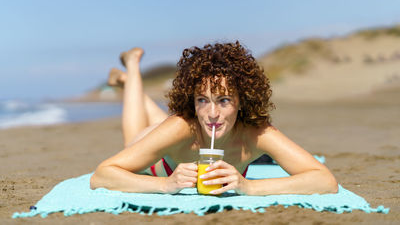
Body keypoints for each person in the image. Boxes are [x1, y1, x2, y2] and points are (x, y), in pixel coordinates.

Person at [90, 42, 338, 195]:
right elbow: (102, 175)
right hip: (164, 151)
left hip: (173, 135)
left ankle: (125, 80)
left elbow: (325, 180)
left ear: (242, 101)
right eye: (202, 100)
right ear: (192, 101)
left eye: (224, 100)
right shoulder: (180, 127)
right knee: (133, 142)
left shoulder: (256, 133)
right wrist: (165, 184)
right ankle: (132, 67)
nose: (212, 113)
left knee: (164, 125)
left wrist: (249, 187)